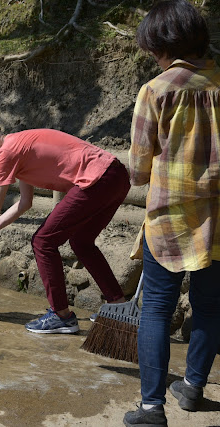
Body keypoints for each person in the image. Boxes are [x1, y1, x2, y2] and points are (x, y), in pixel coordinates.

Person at [122, 1, 220, 426]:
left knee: (158, 308)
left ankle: (151, 409)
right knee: (211, 306)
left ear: (164, 45)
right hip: (219, 218)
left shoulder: (156, 91)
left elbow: (139, 171)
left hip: (170, 219)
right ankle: (193, 388)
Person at [0, 122, 129, 334]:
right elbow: (24, 203)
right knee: (81, 242)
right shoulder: (18, 149)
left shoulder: (7, 152)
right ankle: (118, 305)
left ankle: (61, 315)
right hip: (115, 175)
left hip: (96, 178)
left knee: (43, 241)